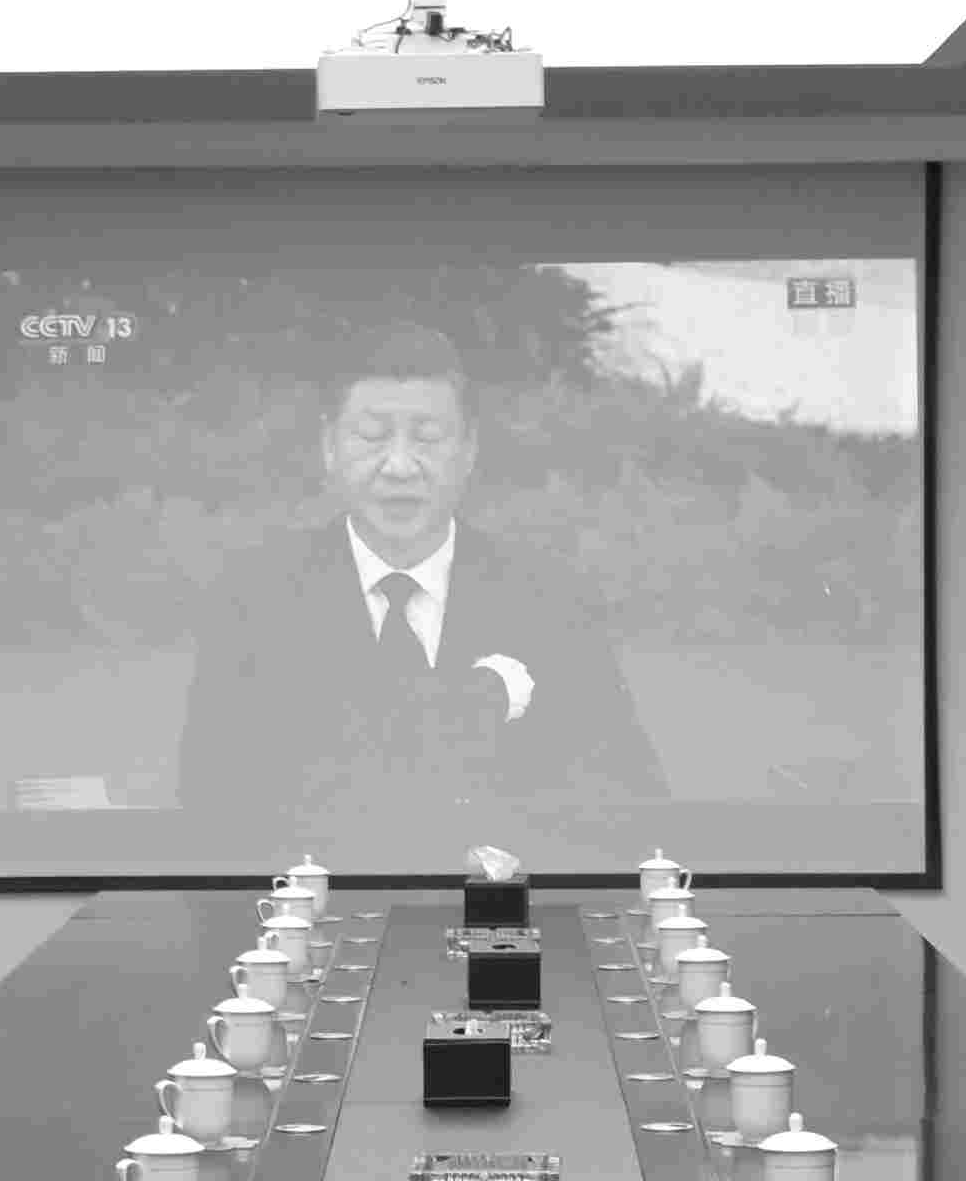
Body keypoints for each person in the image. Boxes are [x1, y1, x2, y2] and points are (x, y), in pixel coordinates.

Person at [167, 318, 666, 830]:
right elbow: (213, 802)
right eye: (372, 436)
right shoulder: (253, 601)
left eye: (428, 437)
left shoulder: (551, 601)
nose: (400, 466)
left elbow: (628, 796)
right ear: (329, 447)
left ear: (468, 450)